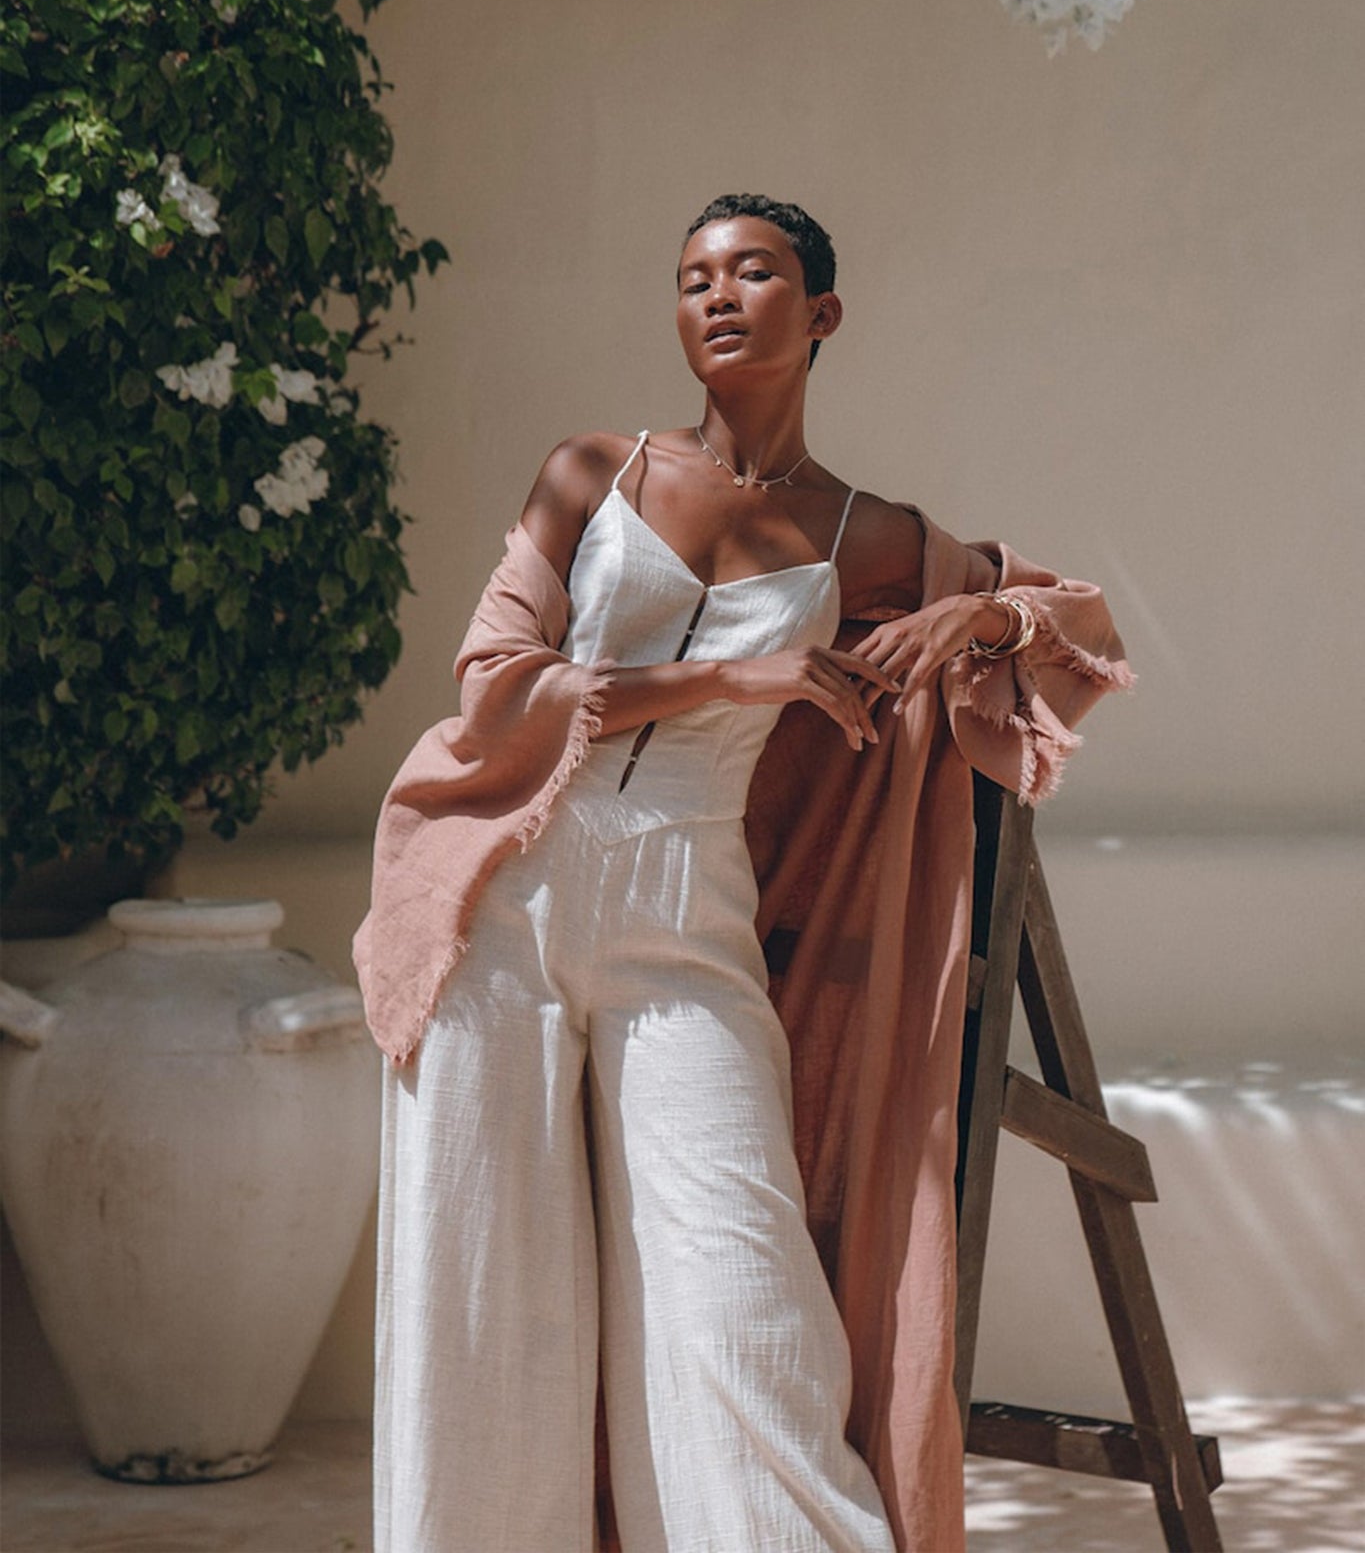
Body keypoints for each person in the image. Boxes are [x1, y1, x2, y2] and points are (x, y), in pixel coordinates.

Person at [354, 194, 1132, 1553]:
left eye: (751, 272)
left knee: (744, 1304)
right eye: (692, 277)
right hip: (504, 902)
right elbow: (494, 683)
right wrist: (730, 676)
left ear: (819, 312)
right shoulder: (591, 472)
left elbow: (1076, 627)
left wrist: (976, 607)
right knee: (479, 1303)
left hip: (686, 930)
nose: (715, 295)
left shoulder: (864, 533)